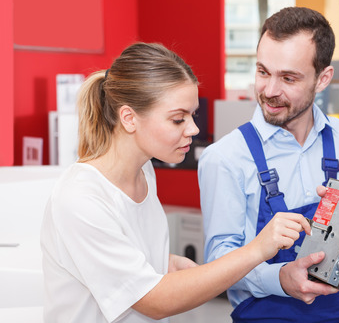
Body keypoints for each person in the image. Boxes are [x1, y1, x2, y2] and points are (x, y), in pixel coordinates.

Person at [40, 42, 317, 323]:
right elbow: (154, 301)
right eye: (177, 119)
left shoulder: (144, 171)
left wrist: (179, 266)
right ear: (129, 118)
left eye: (192, 115)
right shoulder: (80, 199)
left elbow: (139, 261)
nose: (194, 129)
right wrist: (257, 249)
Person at [198, 7, 339, 323]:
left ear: (323, 79)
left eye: (288, 78)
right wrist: (279, 279)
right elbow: (218, 265)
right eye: (263, 72)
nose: (270, 91)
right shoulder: (224, 158)